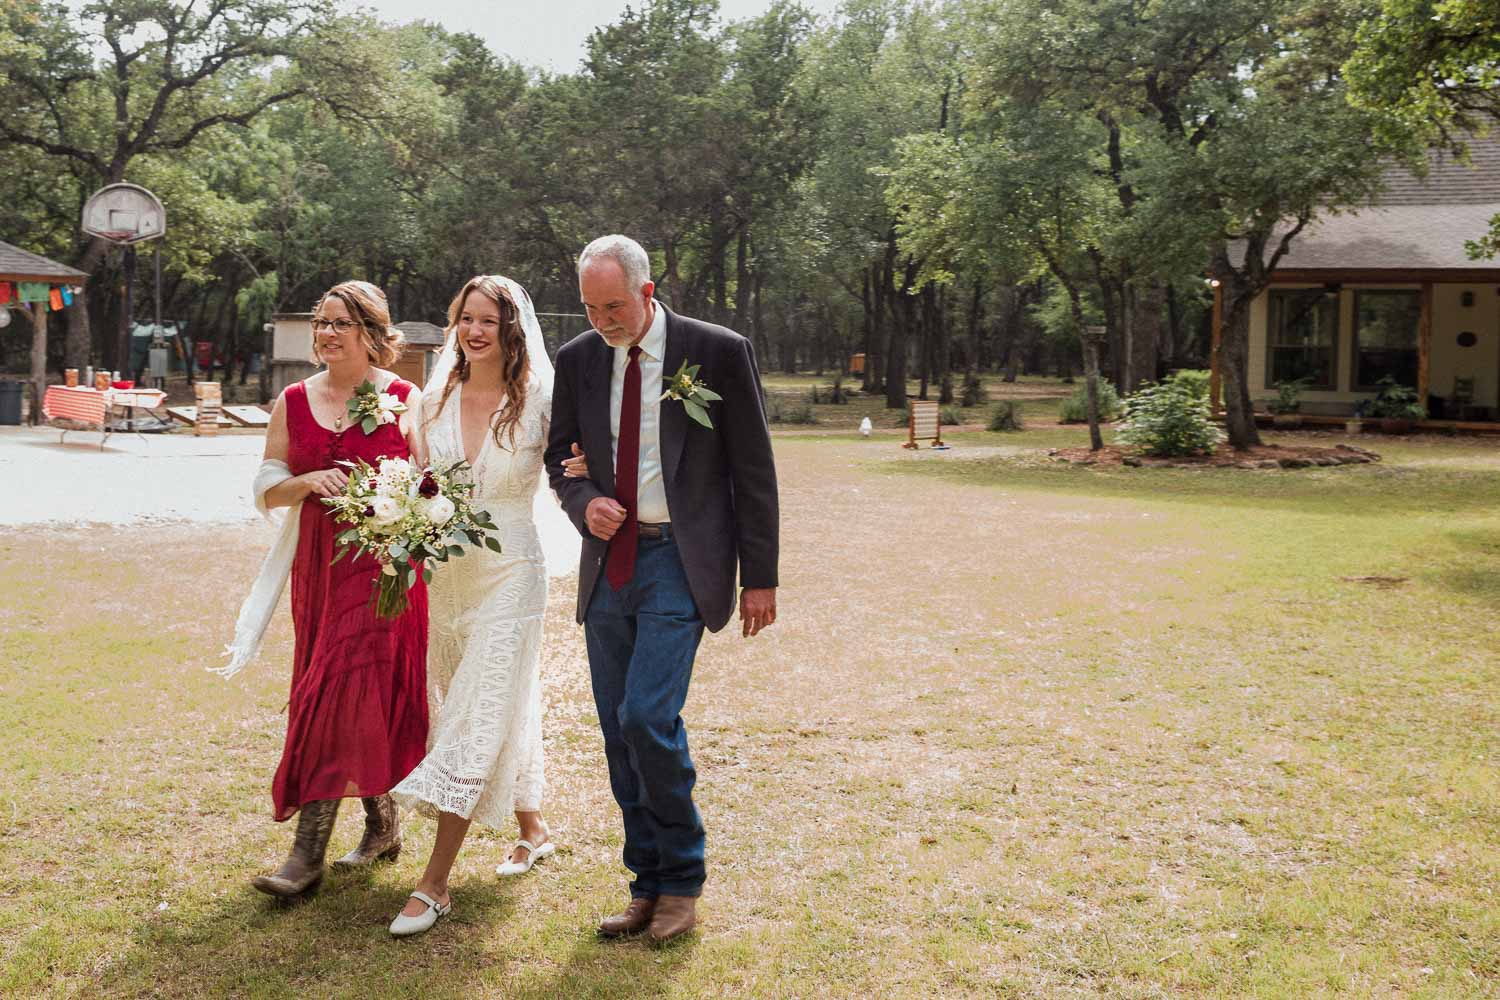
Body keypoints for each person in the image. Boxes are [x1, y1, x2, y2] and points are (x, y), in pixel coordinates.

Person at [545, 235, 780, 944]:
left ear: (648, 292)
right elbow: (560, 455)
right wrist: (583, 499)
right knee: (619, 730)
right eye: (590, 308)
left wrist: (761, 577)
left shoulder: (717, 350)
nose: (603, 321)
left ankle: (683, 880)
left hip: (683, 557)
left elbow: (754, 468)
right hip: (608, 562)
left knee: (648, 716)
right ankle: (644, 885)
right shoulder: (578, 359)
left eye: (614, 306)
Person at [230, 280, 430, 900]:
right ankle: (381, 822)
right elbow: (267, 479)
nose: (326, 333)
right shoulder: (293, 399)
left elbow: (430, 484)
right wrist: (308, 480)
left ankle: (305, 856)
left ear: (372, 334)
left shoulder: (404, 397)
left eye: (341, 323)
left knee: (338, 687)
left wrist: (394, 507)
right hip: (319, 565)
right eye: (322, 322)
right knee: (345, 688)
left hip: (384, 570)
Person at [387, 275, 560, 937]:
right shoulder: (434, 400)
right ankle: (532, 826)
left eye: (490, 320)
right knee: (489, 699)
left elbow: (581, 463)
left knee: (474, 712)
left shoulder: (541, 398)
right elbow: (416, 482)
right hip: (448, 577)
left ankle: (434, 883)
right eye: (467, 318)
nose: (476, 331)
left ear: (513, 329)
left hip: (513, 569)